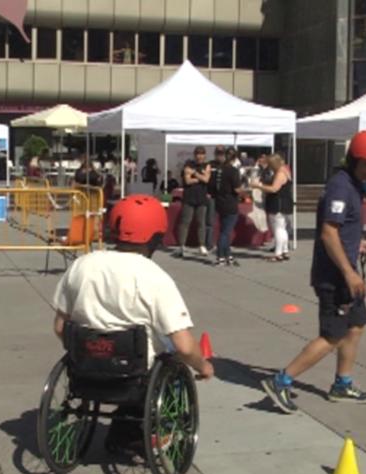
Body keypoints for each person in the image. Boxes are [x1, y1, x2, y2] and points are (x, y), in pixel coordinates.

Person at [52, 194, 214, 451]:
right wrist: (203, 366)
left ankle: (122, 427)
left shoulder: (82, 265)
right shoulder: (155, 277)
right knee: (171, 357)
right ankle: (138, 431)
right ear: (157, 238)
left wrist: (89, 350)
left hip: (85, 366)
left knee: (127, 351)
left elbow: (60, 327)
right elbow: (184, 346)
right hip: (135, 373)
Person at [260, 131, 366, 413]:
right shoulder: (341, 187)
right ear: (355, 159)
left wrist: (358, 245)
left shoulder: (353, 185)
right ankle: (281, 381)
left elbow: (342, 233)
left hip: (345, 270)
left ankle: (342, 383)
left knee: (356, 325)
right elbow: (329, 234)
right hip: (334, 276)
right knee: (332, 336)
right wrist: (349, 272)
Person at [253, 153, 293, 262]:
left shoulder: (280, 173)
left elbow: (274, 189)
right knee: (283, 228)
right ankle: (284, 251)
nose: (269, 166)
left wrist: (259, 186)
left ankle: (278, 253)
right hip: (285, 203)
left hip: (278, 204)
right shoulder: (285, 170)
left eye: (270, 164)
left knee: (278, 229)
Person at [175, 146, 212, 257]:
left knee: (201, 222)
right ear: (194, 155)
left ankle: (201, 245)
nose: (199, 156)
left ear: (204, 155)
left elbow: (207, 179)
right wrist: (200, 177)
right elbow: (187, 180)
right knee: (185, 222)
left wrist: (194, 174)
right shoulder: (188, 164)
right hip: (189, 197)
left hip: (202, 198)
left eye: (201, 154)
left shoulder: (207, 165)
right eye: (197, 154)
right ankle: (181, 246)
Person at [212, 147, 245, 267]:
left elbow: (213, 188)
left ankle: (228, 256)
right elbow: (237, 189)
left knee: (224, 230)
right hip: (230, 202)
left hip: (220, 202)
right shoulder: (233, 170)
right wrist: (245, 191)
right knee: (225, 232)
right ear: (235, 158)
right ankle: (220, 256)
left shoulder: (218, 170)